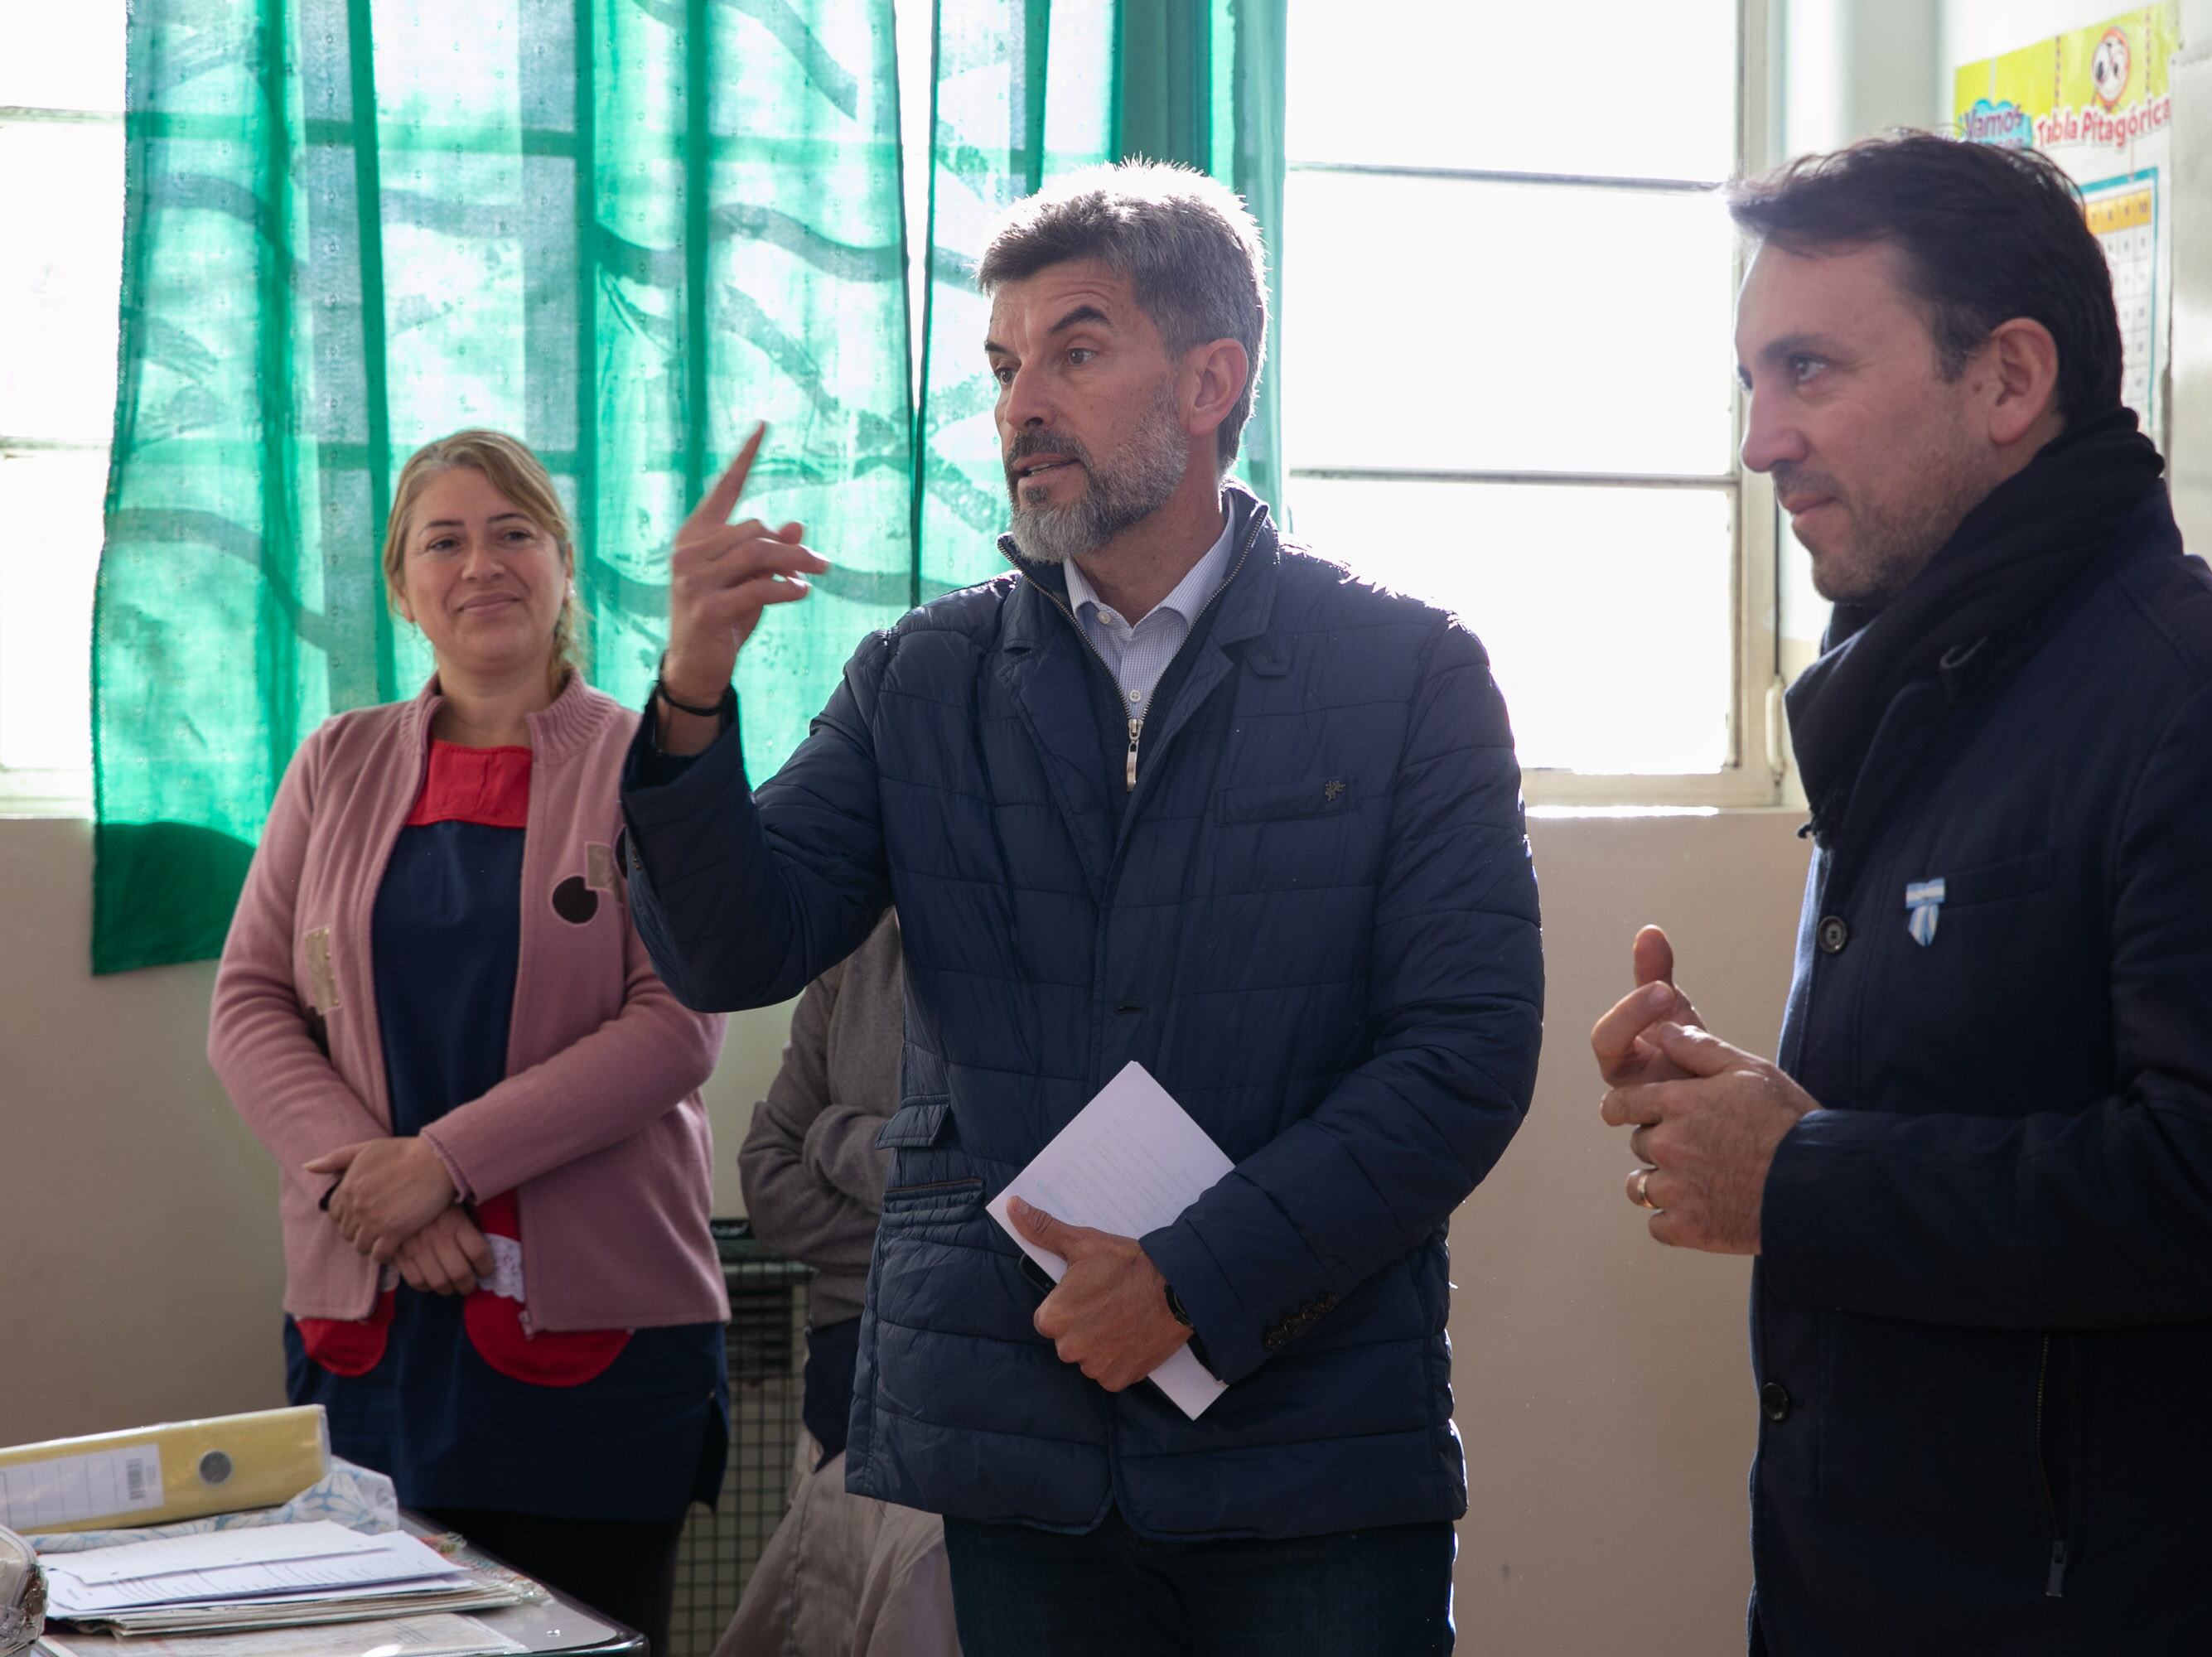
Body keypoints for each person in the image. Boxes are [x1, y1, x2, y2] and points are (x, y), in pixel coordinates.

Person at [619, 162, 1544, 1655]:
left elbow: (1464, 1059)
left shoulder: (1408, 675)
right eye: (1000, 366)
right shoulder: (922, 679)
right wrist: (688, 701)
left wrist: (1196, 1279)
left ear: (1210, 381)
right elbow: (735, 946)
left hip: (1305, 1447)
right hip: (1015, 1441)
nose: (1016, 404)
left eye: (1077, 348)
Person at [1592, 132, 2212, 1655]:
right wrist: (1755, 1114)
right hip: (1887, 1583)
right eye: (1750, 381)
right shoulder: (1932, 684)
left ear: (2008, 380)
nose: (1761, 439)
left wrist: (1802, 1175)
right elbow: (1964, 1088)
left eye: (1810, 371)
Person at [208, 430, 732, 1654]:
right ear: (402, 584)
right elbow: (249, 1004)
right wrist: (372, 1182)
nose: (480, 563)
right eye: (443, 539)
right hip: (374, 1329)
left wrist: (442, 1164)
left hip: (599, 1351)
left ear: (563, 567)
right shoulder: (334, 762)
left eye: (514, 533)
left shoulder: (651, 762)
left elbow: (677, 1024)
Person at [713, 914, 962, 1657]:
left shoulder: (1039, 954)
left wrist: (834, 1134)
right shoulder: (850, 953)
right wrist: (938, 1226)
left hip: (967, 1412)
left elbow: (1010, 1192)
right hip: (838, 1401)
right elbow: (766, 1180)